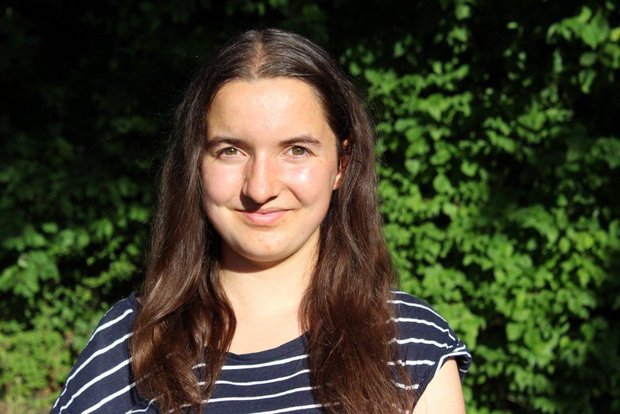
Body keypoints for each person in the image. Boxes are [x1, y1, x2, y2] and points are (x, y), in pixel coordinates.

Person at [51, 28, 471, 414]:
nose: (260, 187)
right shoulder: (127, 348)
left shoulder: (409, 346)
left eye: (297, 150)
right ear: (196, 164)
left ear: (342, 164)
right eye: (231, 151)